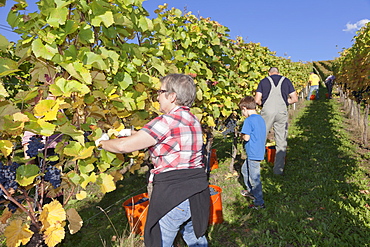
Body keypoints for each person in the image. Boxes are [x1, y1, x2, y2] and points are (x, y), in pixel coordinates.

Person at [96, 74, 210, 247]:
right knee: (195, 239)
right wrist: (130, 132)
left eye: (160, 91)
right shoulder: (192, 119)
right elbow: (162, 138)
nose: (157, 96)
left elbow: (123, 147)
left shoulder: (166, 121)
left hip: (174, 196)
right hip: (196, 192)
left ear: (172, 96)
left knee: (159, 242)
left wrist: (101, 143)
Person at [255, 67, 298, 175]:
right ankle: (278, 170)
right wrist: (285, 102)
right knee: (281, 140)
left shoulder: (264, 81)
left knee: (261, 137)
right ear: (278, 73)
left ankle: (255, 166)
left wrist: (264, 104)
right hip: (281, 112)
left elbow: (256, 100)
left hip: (267, 112)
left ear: (269, 73)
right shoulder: (286, 81)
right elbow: (295, 99)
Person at [239, 96, 266, 210]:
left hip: (253, 153)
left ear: (245, 108)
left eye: (242, 111)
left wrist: (241, 134)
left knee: (254, 178)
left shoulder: (248, 120)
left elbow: (246, 137)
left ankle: (259, 203)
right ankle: (251, 192)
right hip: (258, 150)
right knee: (245, 170)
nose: (242, 114)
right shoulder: (260, 118)